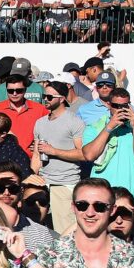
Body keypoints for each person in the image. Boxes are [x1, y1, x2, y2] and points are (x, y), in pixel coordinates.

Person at [32, 81, 85, 234]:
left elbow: (82, 153)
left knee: (64, 234)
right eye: (44, 96)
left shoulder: (74, 121)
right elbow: (36, 155)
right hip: (43, 184)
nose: (45, 100)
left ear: (62, 98)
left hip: (64, 184)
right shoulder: (40, 123)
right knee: (42, 232)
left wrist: (54, 151)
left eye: (49, 97)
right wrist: (32, 178)